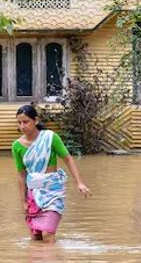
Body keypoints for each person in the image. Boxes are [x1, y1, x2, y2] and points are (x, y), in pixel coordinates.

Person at [12, 104, 91, 243]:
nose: (22, 126)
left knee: (47, 235)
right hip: (33, 194)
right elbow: (21, 175)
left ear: (35, 121)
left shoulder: (50, 137)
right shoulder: (17, 146)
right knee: (35, 238)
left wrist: (79, 182)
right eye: (19, 123)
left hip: (53, 193)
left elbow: (68, 159)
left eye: (26, 122)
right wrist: (23, 201)